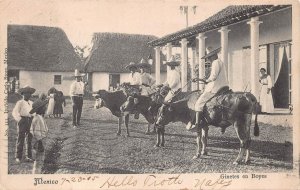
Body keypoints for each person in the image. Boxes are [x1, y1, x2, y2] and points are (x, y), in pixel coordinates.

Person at [188, 47, 229, 132]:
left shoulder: (215, 63)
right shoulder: (220, 62)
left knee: (198, 104)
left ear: (213, 56)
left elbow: (213, 77)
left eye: (209, 57)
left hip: (216, 87)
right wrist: (204, 79)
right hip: (224, 85)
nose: (209, 59)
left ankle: (197, 125)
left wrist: (204, 80)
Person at [12, 85, 36, 163]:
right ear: (22, 94)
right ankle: (18, 157)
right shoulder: (20, 102)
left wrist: (33, 117)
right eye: (26, 93)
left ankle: (28, 156)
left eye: (29, 93)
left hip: (30, 121)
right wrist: (19, 119)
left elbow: (34, 112)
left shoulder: (31, 103)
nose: (28, 95)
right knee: (21, 138)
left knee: (29, 138)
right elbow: (15, 112)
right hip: (23, 120)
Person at [29, 96, 49, 174]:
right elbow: (36, 132)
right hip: (38, 142)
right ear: (40, 109)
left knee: (40, 158)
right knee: (38, 159)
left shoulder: (39, 117)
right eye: (44, 107)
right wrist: (40, 142)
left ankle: (38, 171)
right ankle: (36, 173)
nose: (46, 108)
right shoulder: (37, 118)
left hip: (40, 140)